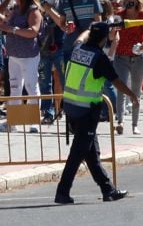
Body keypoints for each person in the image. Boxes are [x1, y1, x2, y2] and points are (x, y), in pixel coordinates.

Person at [54, 22, 138, 205]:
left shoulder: (78, 49)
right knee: (77, 154)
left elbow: (79, 38)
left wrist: (89, 28)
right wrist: (132, 95)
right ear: (104, 38)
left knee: (91, 152)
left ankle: (108, 190)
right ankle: (62, 192)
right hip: (86, 112)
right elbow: (116, 82)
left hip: (71, 108)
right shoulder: (99, 58)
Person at [0, 0, 42, 133]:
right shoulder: (15, 9)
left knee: (31, 86)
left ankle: (34, 121)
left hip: (29, 55)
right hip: (14, 55)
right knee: (14, 88)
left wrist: (12, 30)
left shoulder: (33, 10)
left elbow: (33, 31)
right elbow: (4, 20)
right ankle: (12, 122)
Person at [112, 0, 143, 133]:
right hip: (121, 56)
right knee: (121, 89)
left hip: (138, 57)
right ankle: (120, 121)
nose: (129, 1)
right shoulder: (119, 15)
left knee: (136, 90)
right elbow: (113, 33)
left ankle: (135, 124)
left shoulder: (142, 15)